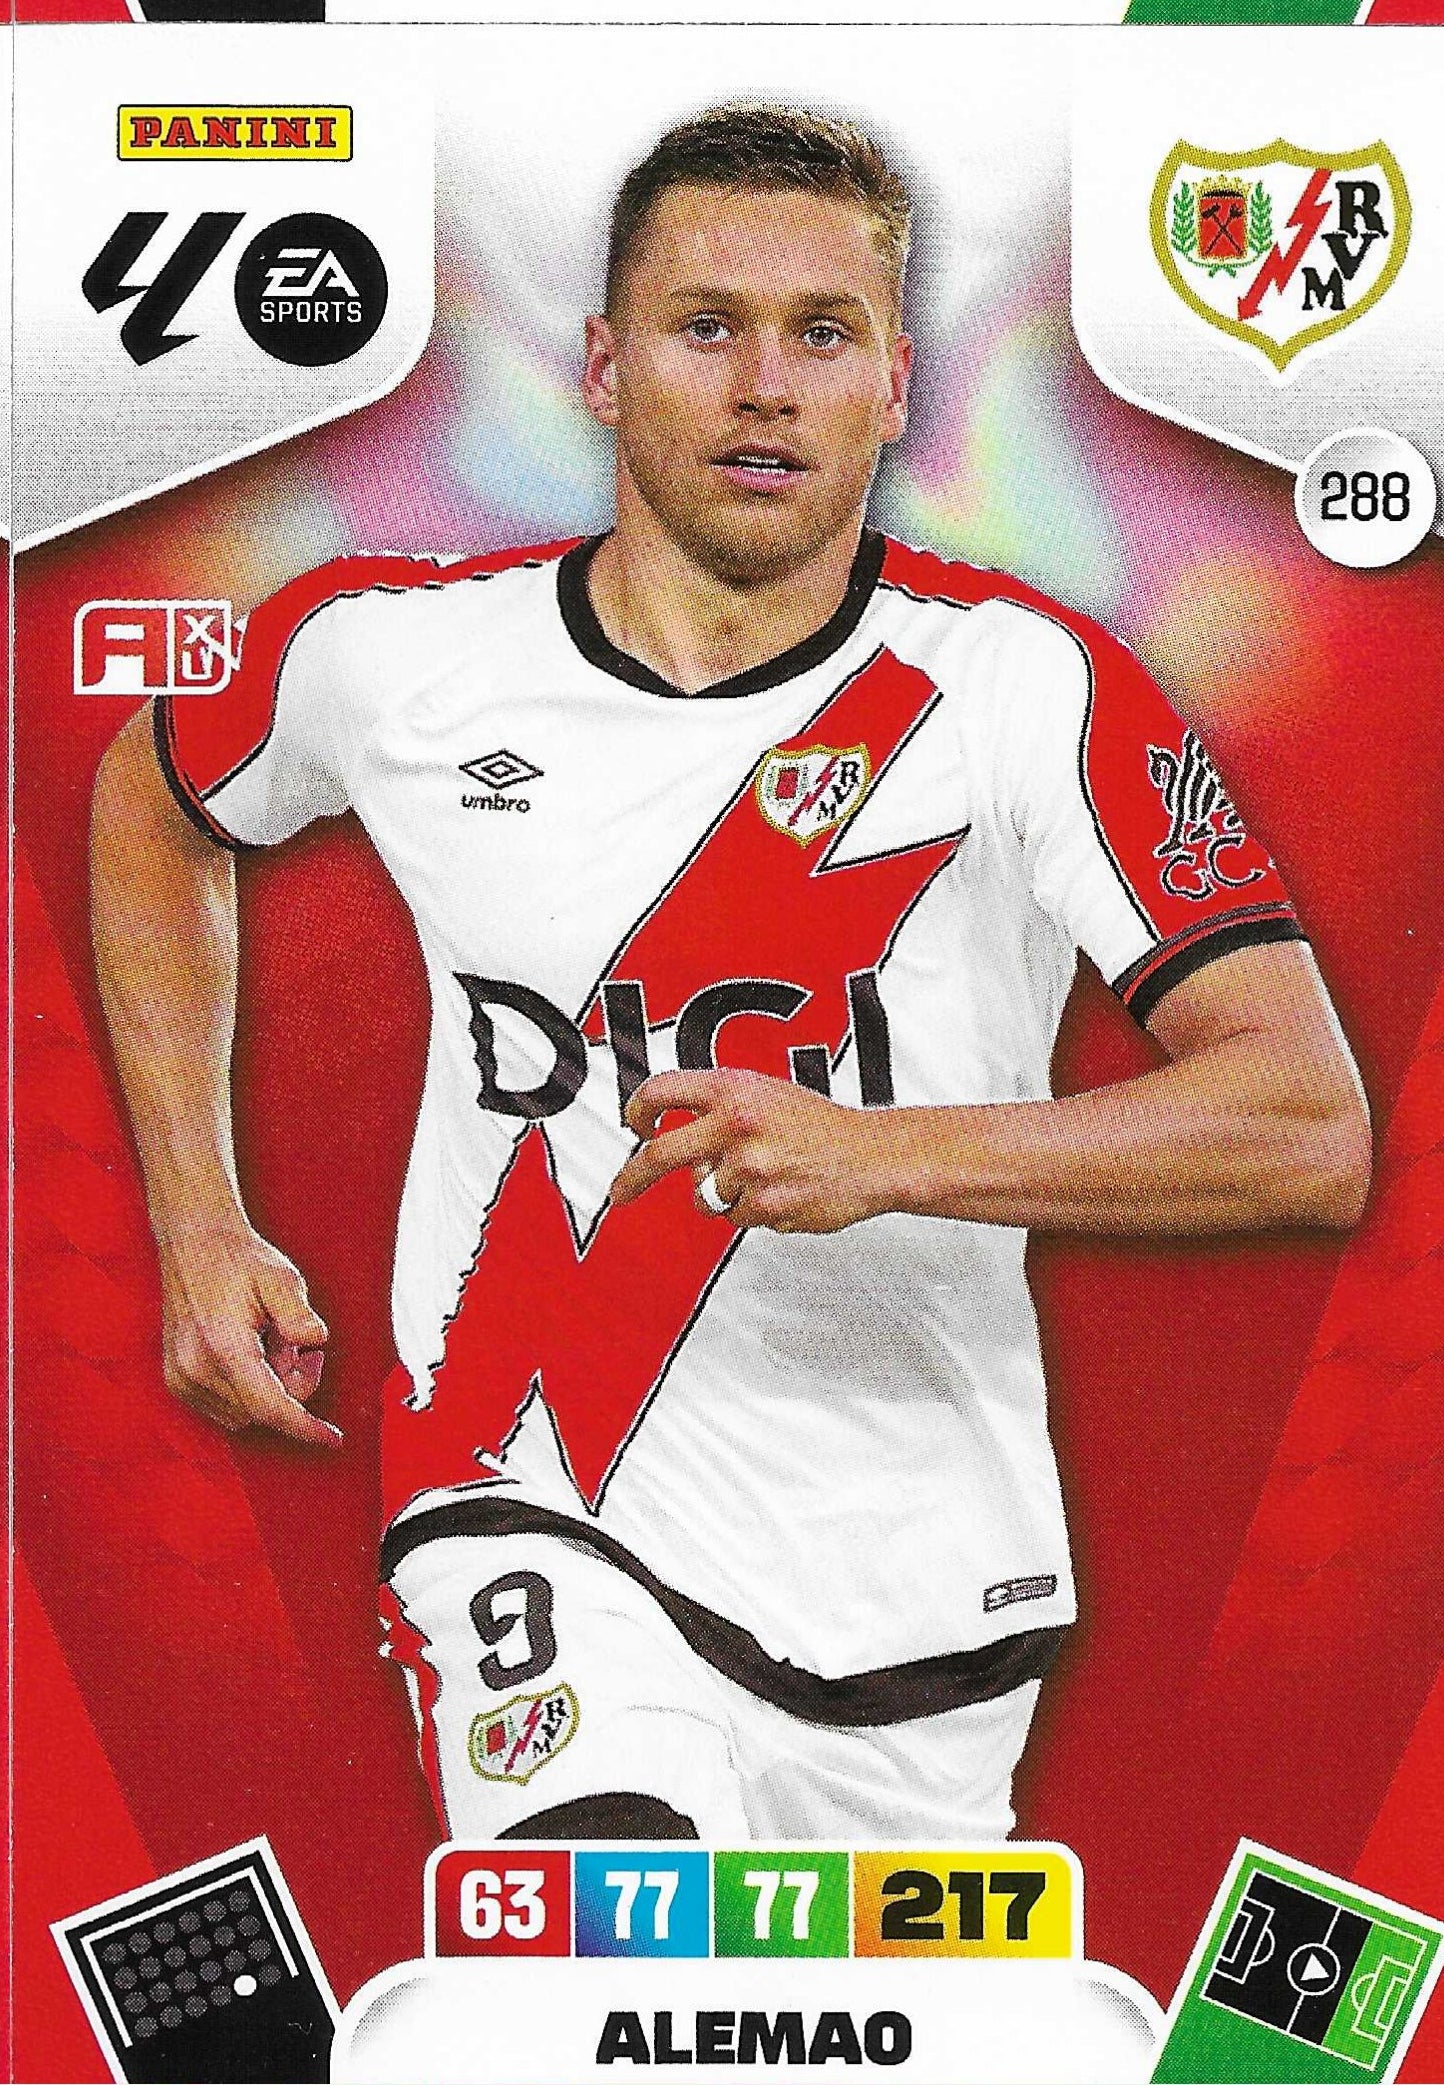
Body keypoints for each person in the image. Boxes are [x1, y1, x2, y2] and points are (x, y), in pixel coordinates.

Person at [92, 103, 1370, 1847]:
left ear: (895, 385)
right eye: (707, 328)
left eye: (820, 335)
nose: (765, 387)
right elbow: (156, 795)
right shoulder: (390, 658)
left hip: (921, 1583)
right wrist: (197, 1217)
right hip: (527, 1500)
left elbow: (1303, 1123)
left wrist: (880, 1153)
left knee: (828, 1993)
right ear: (604, 367)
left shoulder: (1027, 694)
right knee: (610, 1932)